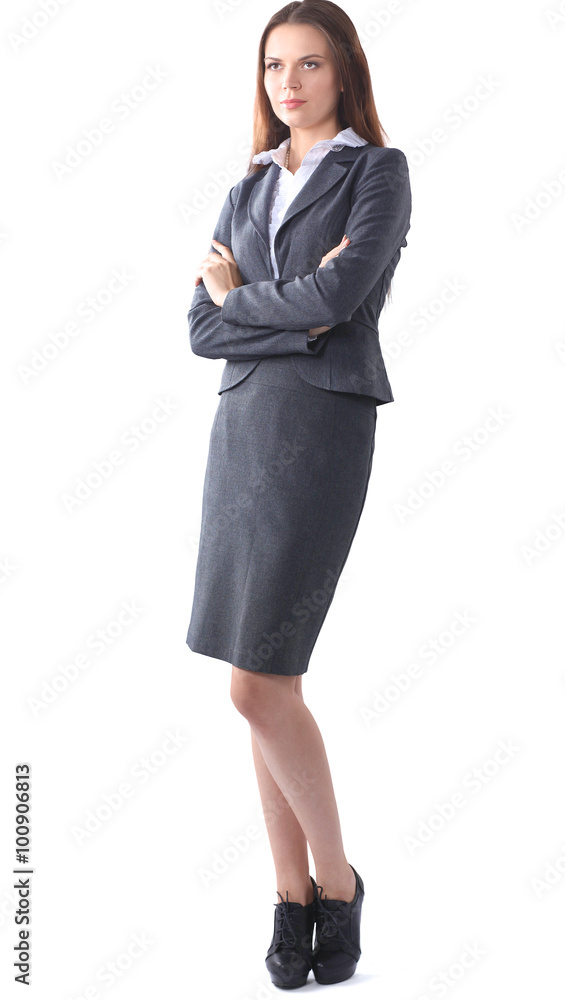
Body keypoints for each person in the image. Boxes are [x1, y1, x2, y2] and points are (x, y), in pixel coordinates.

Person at [185, 0, 411, 988]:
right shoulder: (246, 185)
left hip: (319, 425)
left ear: (343, 72)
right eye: (275, 64)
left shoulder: (377, 172)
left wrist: (246, 302)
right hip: (240, 428)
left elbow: (339, 299)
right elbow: (202, 328)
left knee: (257, 680)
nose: (289, 82)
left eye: (310, 63)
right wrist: (281, 312)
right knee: (261, 679)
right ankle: (289, 897)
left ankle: (337, 881)